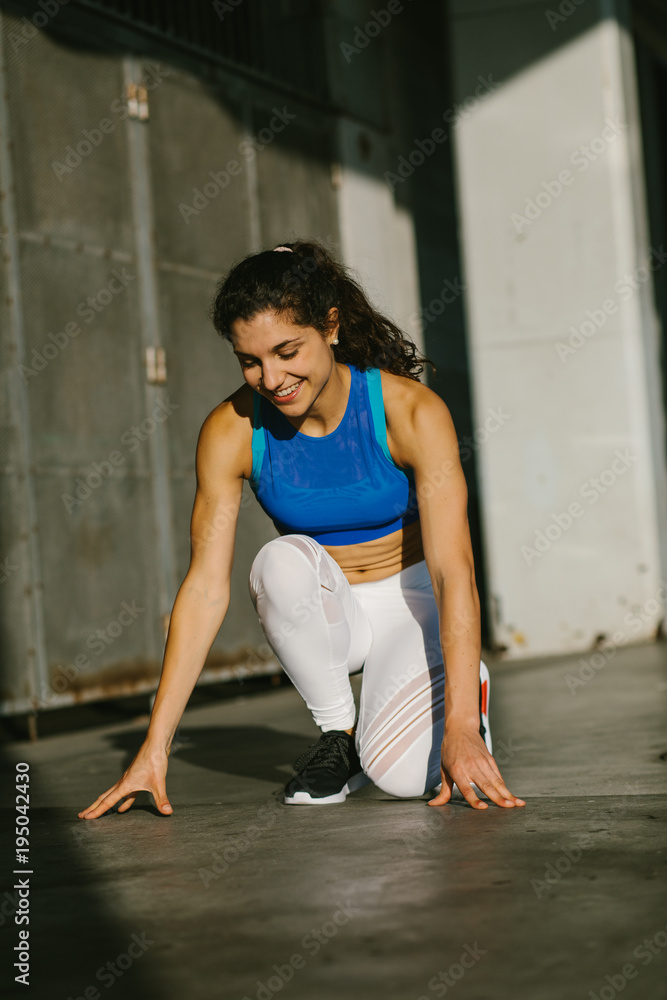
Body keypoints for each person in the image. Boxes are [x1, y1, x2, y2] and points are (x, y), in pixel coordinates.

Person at [78, 239, 525, 820]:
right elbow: (206, 589)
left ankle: (460, 698)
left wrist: (461, 726)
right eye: (250, 360)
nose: (272, 377)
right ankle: (338, 733)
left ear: (330, 326)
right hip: (329, 607)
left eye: (288, 351)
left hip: (413, 604)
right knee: (278, 562)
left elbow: (452, 570)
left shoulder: (411, 413)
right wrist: (153, 748)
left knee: (405, 778)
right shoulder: (231, 430)